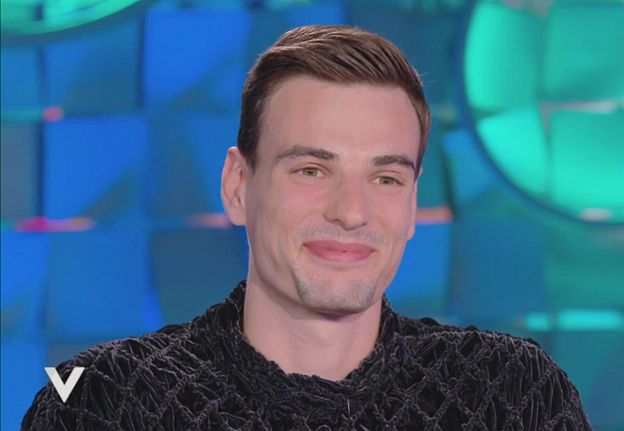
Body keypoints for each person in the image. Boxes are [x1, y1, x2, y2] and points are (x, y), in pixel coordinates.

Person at [22, 25, 592, 430]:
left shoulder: (514, 394)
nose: (351, 212)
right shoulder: (101, 401)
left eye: (385, 178)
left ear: (413, 203)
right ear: (238, 186)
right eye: (312, 170)